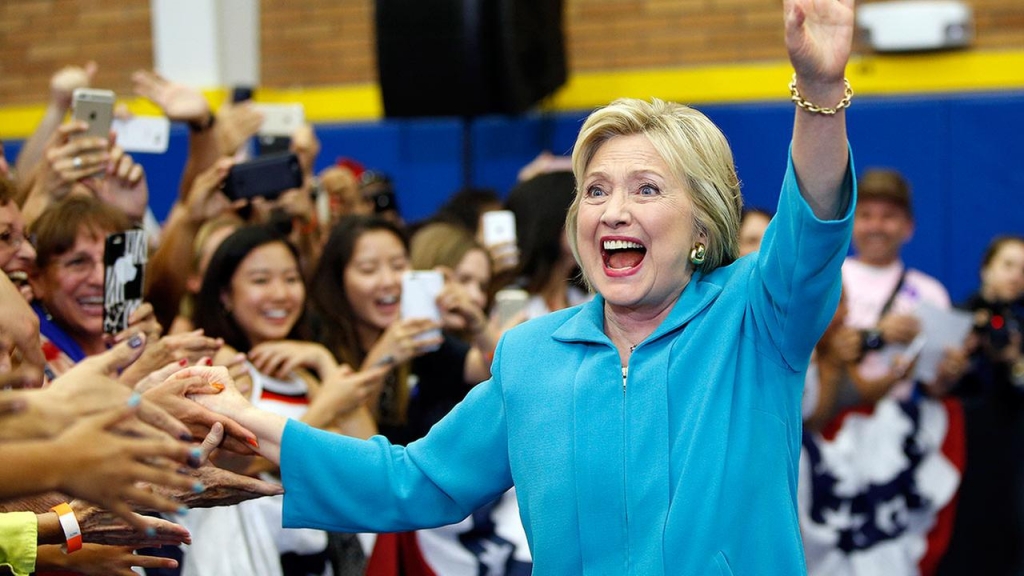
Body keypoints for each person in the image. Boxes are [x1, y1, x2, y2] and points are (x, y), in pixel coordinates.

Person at [184, 0, 858, 572]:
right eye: (595, 190)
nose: (613, 210)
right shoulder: (531, 355)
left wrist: (821, 92)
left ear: (703, 226)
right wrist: (248, 421)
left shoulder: (755, 318)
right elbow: (414, 482)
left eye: (645, 189)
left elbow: (815, 219)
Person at [937, 234, 1024, 576]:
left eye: (1023, 270)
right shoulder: (958, 317)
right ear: (986, 268)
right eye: (1008, 265)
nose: (1016, 276)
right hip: (963, 443)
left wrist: (1014, 360)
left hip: (1012, 448)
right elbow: (934, 387)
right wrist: (956, 363)